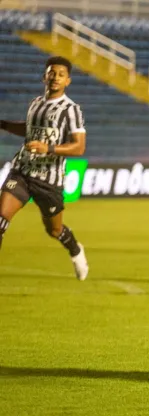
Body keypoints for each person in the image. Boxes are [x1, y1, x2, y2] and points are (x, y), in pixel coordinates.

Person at [0, 56, 89, 279]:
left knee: (54, 230)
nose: (55, 78)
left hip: (49, 181)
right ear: (44, 77)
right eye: (52, 73)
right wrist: (3, 124)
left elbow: (79, 147)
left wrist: (48, 148)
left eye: (60, 74)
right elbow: (29, 130)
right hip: (22, 171)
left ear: (68, 81)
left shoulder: (71, 110)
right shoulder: (35, 103)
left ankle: (75, 249)